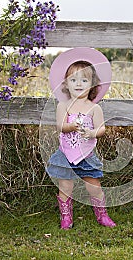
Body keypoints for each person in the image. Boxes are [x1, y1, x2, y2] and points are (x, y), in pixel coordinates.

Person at [46, 47, 116, 230]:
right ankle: (66, 216)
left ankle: (102, 215)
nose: (79, 84)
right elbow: (60, 126)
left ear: (92, 84)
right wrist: (71, 126)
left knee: (94, 186)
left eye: (84, 80)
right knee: (65, 186)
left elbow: (101, 128)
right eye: (73, 80)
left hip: (87, 155)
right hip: (66, 154)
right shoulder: (64, 106)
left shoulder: (94, 109)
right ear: (66, 84)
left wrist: (92, 133)